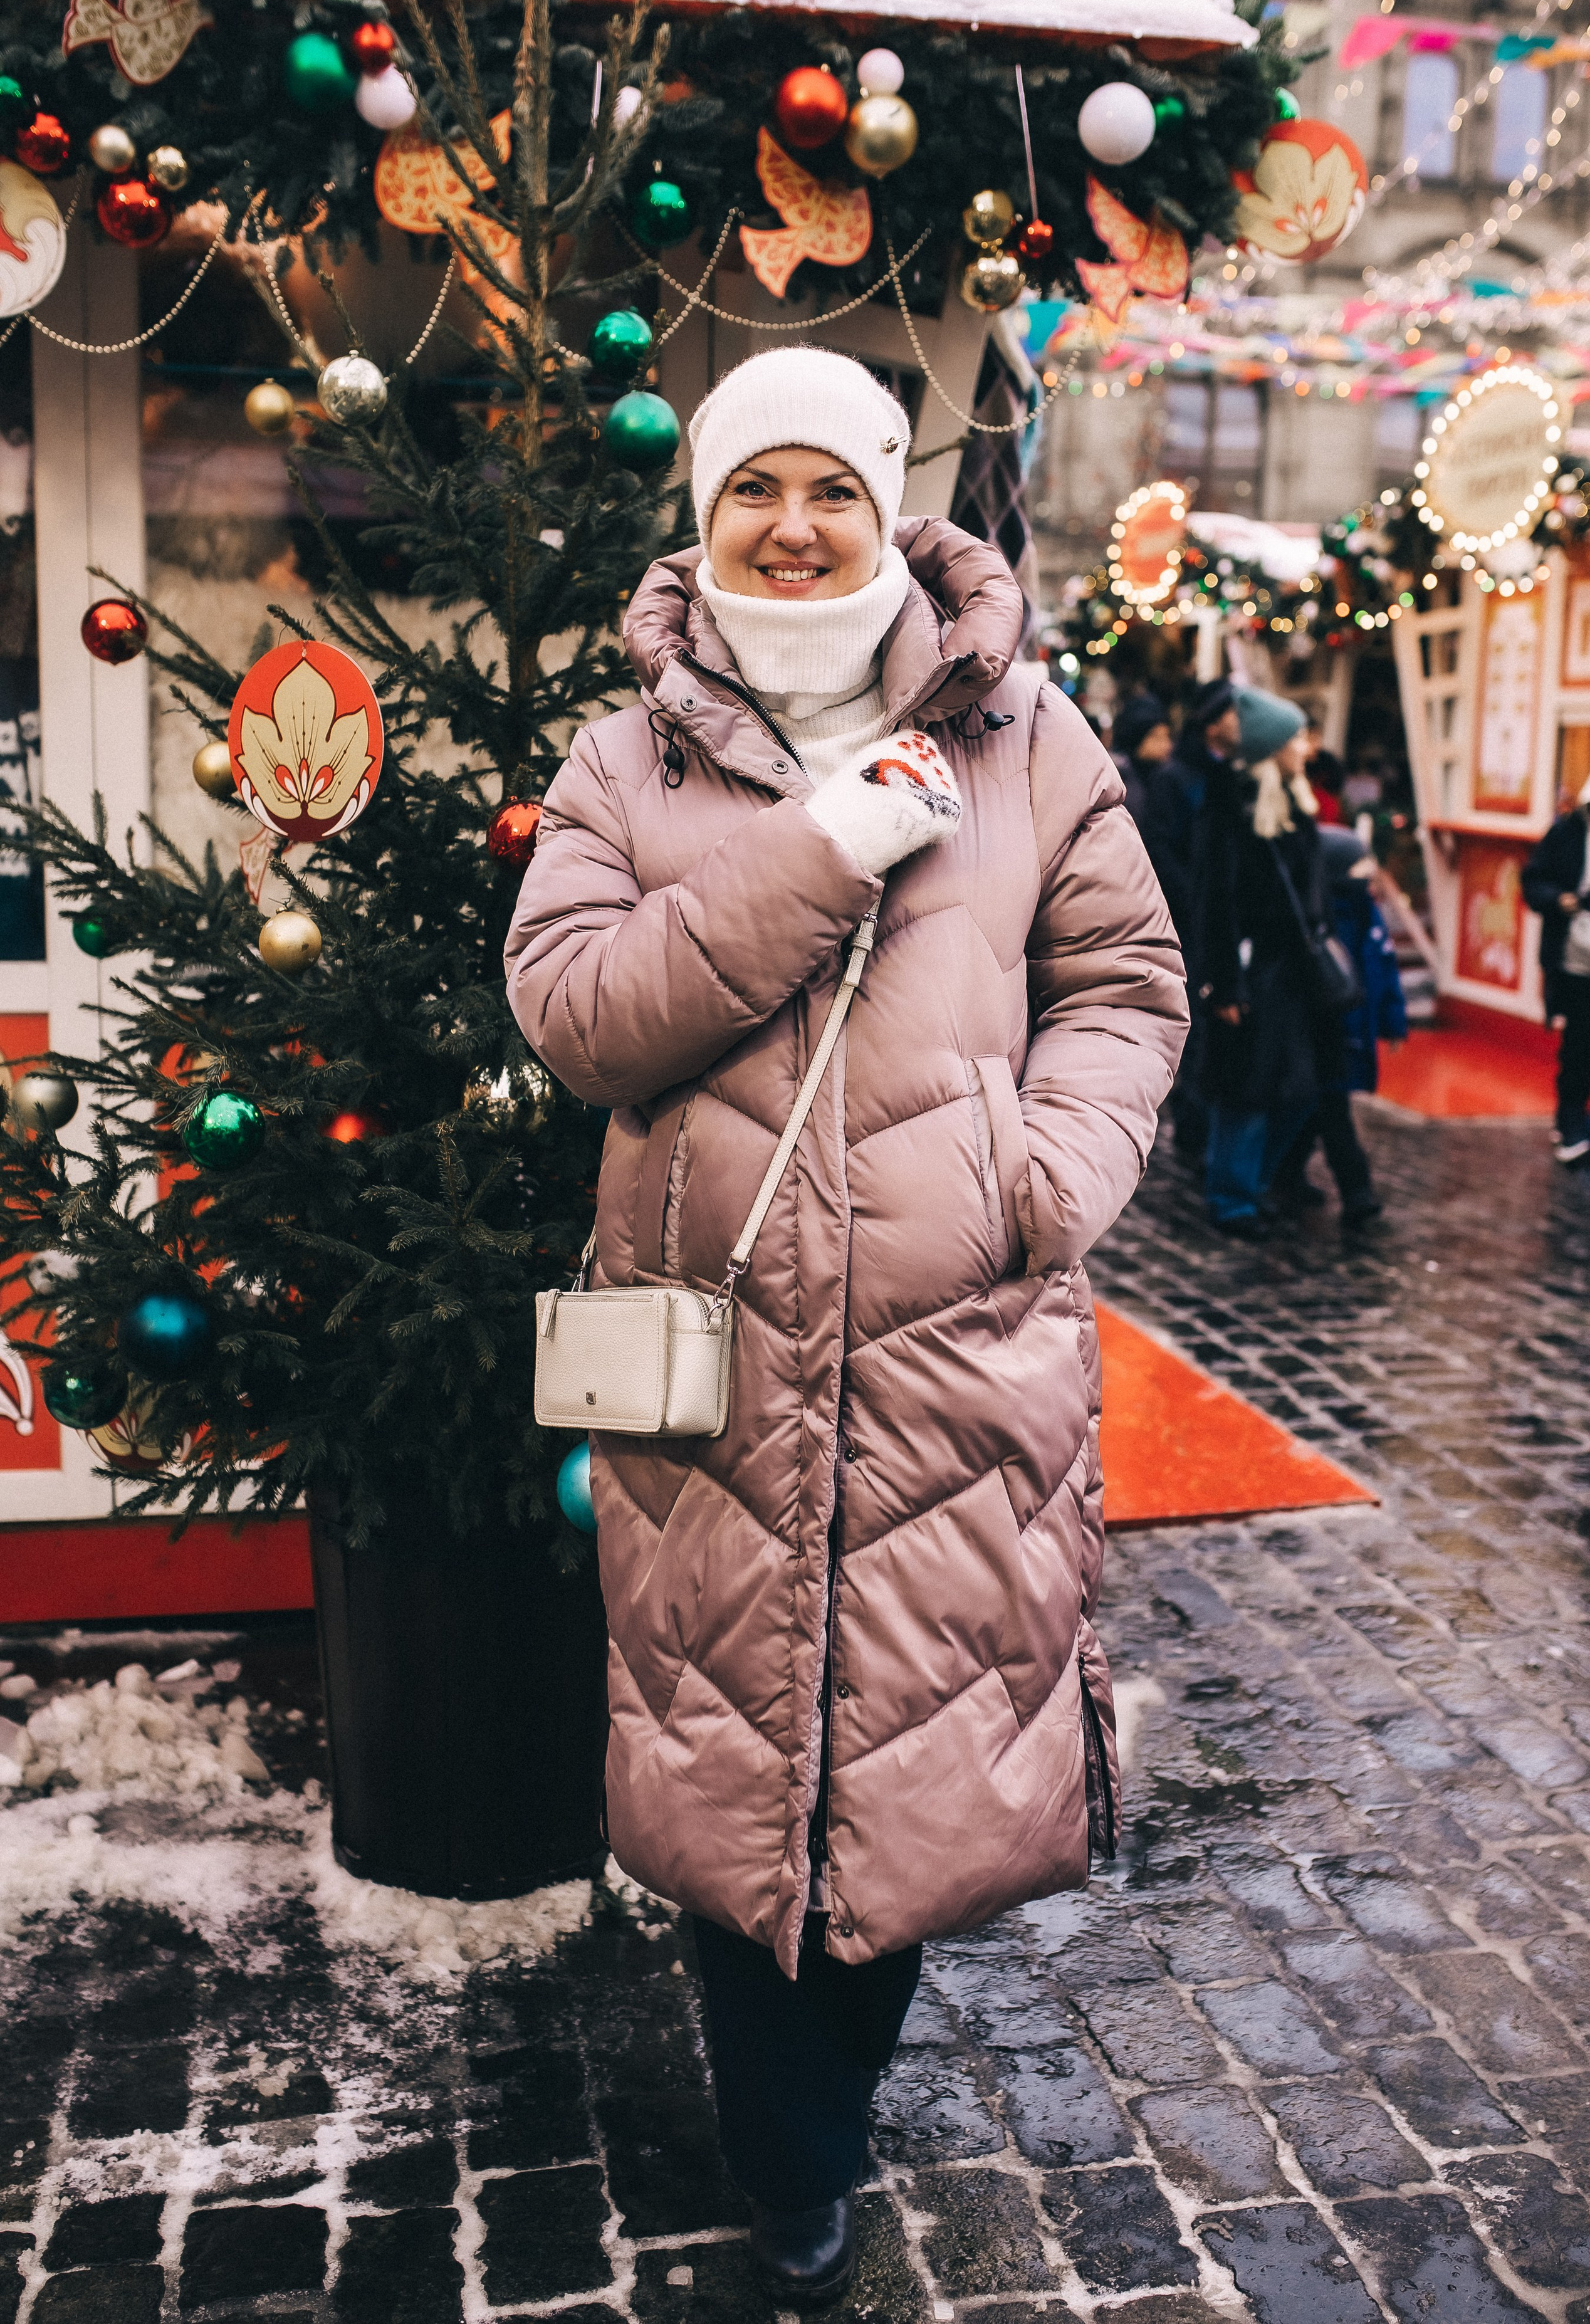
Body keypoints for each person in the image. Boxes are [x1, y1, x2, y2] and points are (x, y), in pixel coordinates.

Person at [505, 346, 1187, 2305]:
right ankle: (789, 2141)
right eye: (751, 489)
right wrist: (816, 852)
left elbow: (1126, 978)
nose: (790, 524)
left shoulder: (1030, 741)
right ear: (700, 514)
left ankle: (823, 2085)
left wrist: (1038, 1176)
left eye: (830, 486)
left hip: (949, 1344)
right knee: (739, 1762)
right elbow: (577, 1015)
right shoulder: (623, 765)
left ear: (888, 504)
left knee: (902, 1757)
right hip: (709, 1358)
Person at [1195, 687, 1346, 1238]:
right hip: (1255, 971)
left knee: (1301, 1089)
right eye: (1297, 737)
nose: (1306, 747)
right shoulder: (1231, 808)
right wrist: (1226, 985)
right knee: (1248, 1089)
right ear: (1271, 746)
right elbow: (1217, 903)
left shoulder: (1298, 807)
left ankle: (1255, 1184)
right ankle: (1232, 1196)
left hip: (1296, 973)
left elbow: (1315, 893)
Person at [1269, 825, 1404, 1228]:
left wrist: (1392, 1021)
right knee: (1332, 1108)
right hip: (1329, 1028)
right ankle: (1356, 1190)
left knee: (1319, 1108)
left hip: (1350, 1028)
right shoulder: (1320, 919)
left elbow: (1384, 972)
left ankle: (1287, 1174)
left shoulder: (1364, 915)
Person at [1146, 678, 1242, 1156]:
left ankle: (1199, 1118)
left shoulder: (1227, 776)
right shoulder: (1176, 778)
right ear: (1211, 721)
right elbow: (1161, 851)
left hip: (1216, 919)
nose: (1238, 722)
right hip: (1186, 922)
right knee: (1191, 1025)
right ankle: (1192, 1123)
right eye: (1231, 713)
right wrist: (1189, 900)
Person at [1522, 756, 1590, 1161]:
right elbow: (1533, 881)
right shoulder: (1566, 834)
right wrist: (1559, 899)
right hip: (1577, 961)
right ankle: (1570, 1124)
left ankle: (1588, 1128)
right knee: (1580, 1049)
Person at [1110, 690, 1174, 841]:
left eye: (1167, 737)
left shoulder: (1164, 777)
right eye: (1157, 737)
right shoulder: (1121, 787)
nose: (1167, 745)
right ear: (1137, 738)